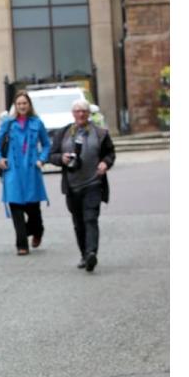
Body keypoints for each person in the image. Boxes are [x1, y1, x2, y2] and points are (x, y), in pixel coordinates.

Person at [49, 99, 116, 272]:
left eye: (84, 111)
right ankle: (84, 254)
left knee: (90, 219)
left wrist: (105, 163)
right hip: (72, 186)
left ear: (89, 114)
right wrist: (61, 159)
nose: (81, 114)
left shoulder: (100, 133)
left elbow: (110, 153)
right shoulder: (63, 133)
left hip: (93, 183)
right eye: (77, 111)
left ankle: (92, 252)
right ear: (73, 114)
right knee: (78, 222)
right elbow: (52, 155)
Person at [0, 90, 51, 255]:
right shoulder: (8, 124)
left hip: (32, 170)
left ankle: (38, 231)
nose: (22, 106)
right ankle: (22, 245)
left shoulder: (37, 123)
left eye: (24, 103)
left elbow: (47, 144)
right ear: (15, 106)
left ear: (29, 105)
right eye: (19, 104)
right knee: (16, 207)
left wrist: (42, 159)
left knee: (34, 211)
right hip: (13, 171)